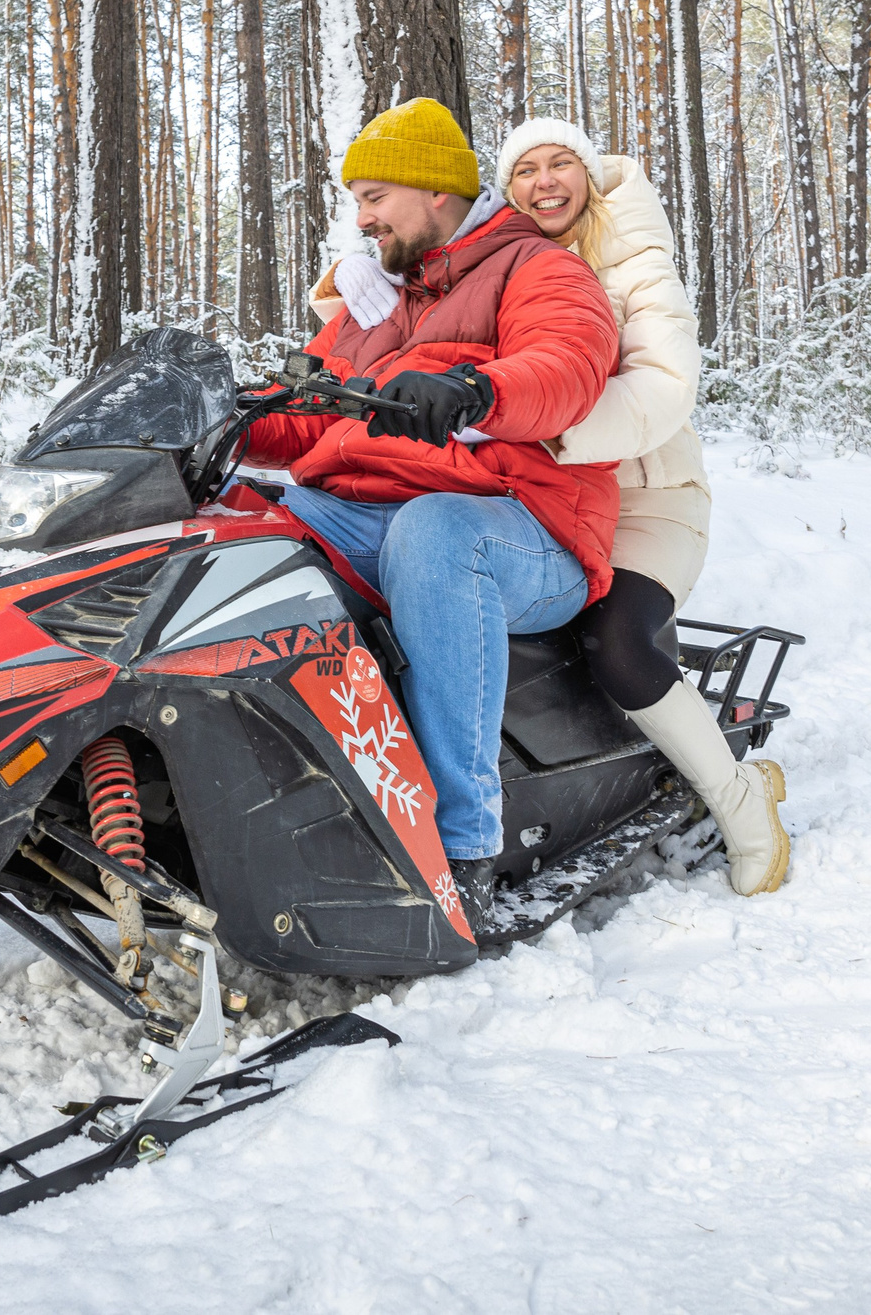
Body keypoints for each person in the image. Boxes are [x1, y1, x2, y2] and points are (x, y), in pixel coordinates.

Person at [314, 116, 789, 895]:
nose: (544, 182)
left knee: (620, 646)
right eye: (525, 169)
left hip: (646, 494)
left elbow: (660, 388)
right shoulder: (487, 259)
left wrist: (513, 421)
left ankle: (743, 806)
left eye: (561, 163)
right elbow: (417, 315)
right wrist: (351, 280)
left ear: (590, 173)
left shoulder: (629, 260)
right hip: (528, 483)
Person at [246, 97, 624, 933]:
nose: (362, 217)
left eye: (376, 194)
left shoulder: (537, 268)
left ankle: (463, 850)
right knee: (243, 525)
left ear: (436, 192)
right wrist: (222, 410)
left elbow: (568, 364)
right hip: (371, 513)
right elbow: (306, 411)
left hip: (519, 529)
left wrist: (476, 389)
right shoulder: (377, 302)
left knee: (435, 534)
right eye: (356, 200)